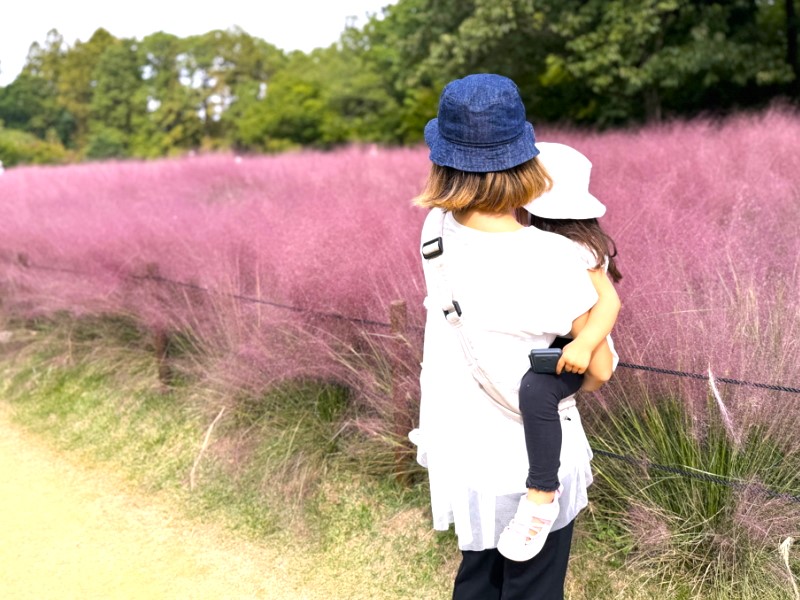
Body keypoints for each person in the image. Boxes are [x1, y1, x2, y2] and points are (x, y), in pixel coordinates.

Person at [409, 74, 614, 599]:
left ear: (444, 159)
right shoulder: (555, 258)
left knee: (477, 582)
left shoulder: (435, 230)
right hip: (532, 464)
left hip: (468, 453)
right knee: (533, 588)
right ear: (527, 161)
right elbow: (600, 370)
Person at [496, 142, 622, 562]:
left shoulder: (576, 249)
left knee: (536, 390)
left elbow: (610, 304)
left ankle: (542, 494)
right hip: (565, 346)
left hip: (578, 351)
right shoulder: (549, 243)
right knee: (534, 387)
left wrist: (584, 344)